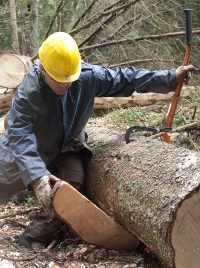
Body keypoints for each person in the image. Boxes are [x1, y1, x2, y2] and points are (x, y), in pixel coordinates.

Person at [0, 32, 193, 248]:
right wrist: (36, 176)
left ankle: (33, 237)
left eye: (69, 79)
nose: (65, 85)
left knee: (72, 183)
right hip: (33, 147)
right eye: (58, 80)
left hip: (67, 145)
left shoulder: (87, 76)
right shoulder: (29, 91)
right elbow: (20, 134)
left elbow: (126, 78)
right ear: (43, 69)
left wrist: (168, 78)